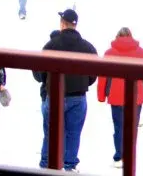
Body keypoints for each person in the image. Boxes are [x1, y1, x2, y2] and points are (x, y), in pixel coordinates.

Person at [34, 9, 98, 172]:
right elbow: (94, 74)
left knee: (51, 132)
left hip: (55, 95)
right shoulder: (88, 47)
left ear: (62, 24)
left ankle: (46, 164)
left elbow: (39, 73)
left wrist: (46, 82)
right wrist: (83, 83)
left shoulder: (51, 45)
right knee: (73, 133)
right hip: (78, 97)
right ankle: (69, 165)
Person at [96, 27, 143, 168]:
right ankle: (130, 156)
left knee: (119, 127)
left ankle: (119, 156)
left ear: (117, 37)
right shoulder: (141, 53)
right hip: (136, 95)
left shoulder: (109, 53)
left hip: (116, 95)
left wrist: (101, 95)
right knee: (132, 127)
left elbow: (102, 76)